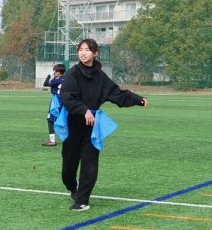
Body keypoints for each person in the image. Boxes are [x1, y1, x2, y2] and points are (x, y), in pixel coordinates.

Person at [59, 39, 147, 212]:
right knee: (68, 167)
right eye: (80, 50)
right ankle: (73, 187)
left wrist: (138, 99)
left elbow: (117, 94)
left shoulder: (100, 77)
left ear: (95, 53)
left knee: (90, 163)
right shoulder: (72, 73)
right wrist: (83, 110)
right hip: (73, 124)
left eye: (87, 50)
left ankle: (82, 200)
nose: (83, 53)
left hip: (93, 127)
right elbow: (67, 96)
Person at [42, 63, 65, 146]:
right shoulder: (65, 78)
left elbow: (45, 84)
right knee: (64, 119)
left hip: (56, 101)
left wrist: (49, 75)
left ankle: (52, 141)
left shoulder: (57, 79)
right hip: (64, 100)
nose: (53, 73)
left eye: (54, 71)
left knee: (50, 119)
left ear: (58, 72)